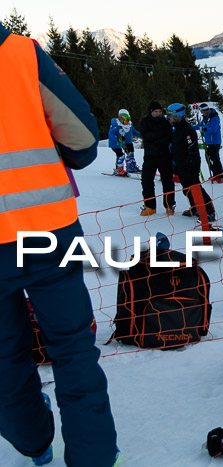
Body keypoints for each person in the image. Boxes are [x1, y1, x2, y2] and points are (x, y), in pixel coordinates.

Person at [0, 22, 119, 466]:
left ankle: (34, 444)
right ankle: (95, 458)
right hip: (48, 231)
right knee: (72, 351)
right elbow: (85, 141)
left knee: (4, 360)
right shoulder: (20, 53)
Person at [166, 103, 216, 222]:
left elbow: (191, 149)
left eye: (171, 116)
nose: (169, 118)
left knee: (196, 188)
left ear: (178, 116)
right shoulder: (177, 129)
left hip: (190, 164)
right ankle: (195, 208)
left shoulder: (187, 130)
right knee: (186, 189)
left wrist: (187, 164)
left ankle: (210, 211)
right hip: (180, 164)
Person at [138, 101, 175, 216]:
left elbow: (169, 137)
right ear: (151, 112)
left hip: (164, 156)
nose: (158, 114)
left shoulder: (165, 122)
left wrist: (156, 138)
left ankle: (169, 205)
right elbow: (146, 136)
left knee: (168, 182)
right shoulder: (144, 121)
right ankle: (149, 206)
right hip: (150, 156)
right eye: (156, 112)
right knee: (147, 181)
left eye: (160, 111)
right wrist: (159, 136)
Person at [193, 102, 223, 183]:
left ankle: (220, 176)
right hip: (208, 142)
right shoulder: (205, 118)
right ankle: (215, 174)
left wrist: (204, 129)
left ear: (206, 110)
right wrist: (190, 127)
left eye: (203, 111)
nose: (202, 113)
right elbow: (200, 126)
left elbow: (214, 129)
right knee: (209, 159)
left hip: (214, 142)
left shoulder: (214, 118)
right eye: (201, 111)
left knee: (215, 159)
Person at [108, 108, 140, 175]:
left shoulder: (130, 124)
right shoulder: (116, 125)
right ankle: (119, 169)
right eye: (125, 121)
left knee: (130, 153)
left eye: (128, 120)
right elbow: (111, 134)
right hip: (116, 143)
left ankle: (131, 167)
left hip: (127, 141)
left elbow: (134, 131)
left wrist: (143, 134)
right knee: (121, 155)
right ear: (121, 119)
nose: (127, 122)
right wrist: (118, 138)